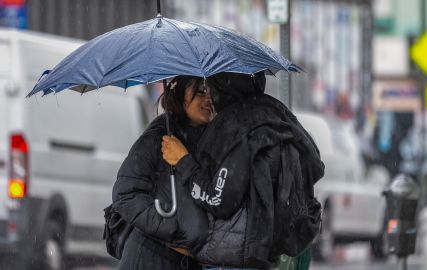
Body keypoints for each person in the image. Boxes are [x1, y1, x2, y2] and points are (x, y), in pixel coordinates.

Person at [162, 72, 325, 269]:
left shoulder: (237, 127)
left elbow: (218, 200)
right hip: (267, 252)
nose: (209, 96)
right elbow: (313, 168)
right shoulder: (279, 115)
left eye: (211, 86)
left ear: (223, 88)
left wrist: (183, 161)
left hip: (231, 259)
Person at [112, 76, 214, 270]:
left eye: (211, 90)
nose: (209, 97)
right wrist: (172, 228)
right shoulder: (159, 136)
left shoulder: (209, 137)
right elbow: (125, 194)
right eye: (200, 91)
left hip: (186, 262)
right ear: (179, 93)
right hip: (150, 257)